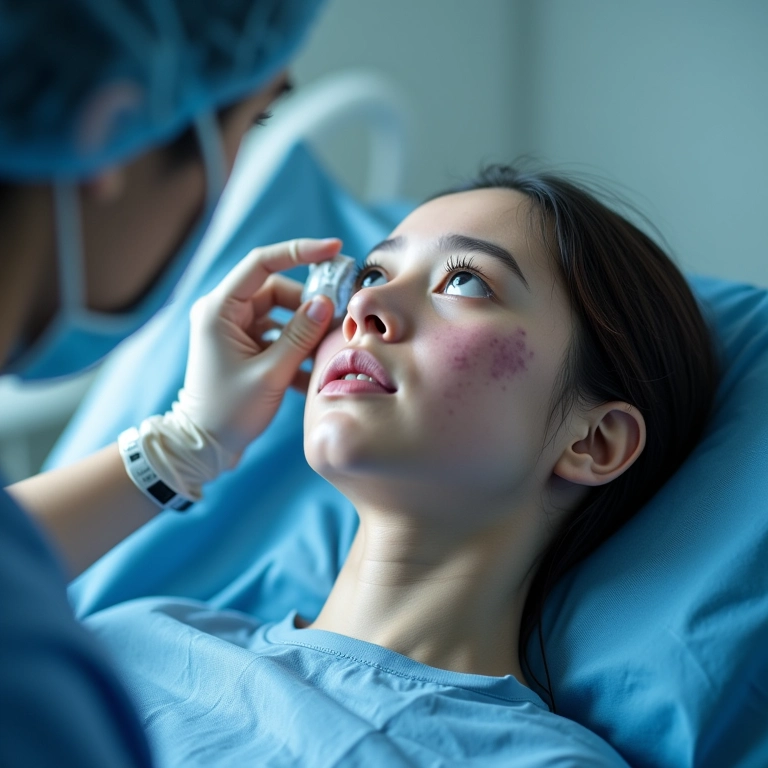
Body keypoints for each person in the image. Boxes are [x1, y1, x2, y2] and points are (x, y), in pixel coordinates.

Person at [36, 166, 717, 765]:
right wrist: (184, 441)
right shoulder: (134, 641)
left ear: (593, 442)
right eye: (371, 274)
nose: (363, 307)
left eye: (465, 281)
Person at [0, 2, 335, 765]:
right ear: (111, 135)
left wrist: (183, 445)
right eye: (248, 130)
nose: (371, 309)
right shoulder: (33, 681)